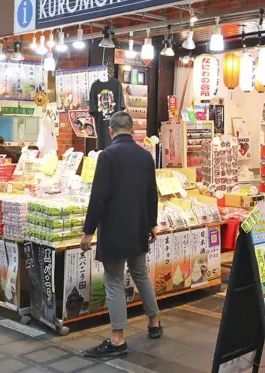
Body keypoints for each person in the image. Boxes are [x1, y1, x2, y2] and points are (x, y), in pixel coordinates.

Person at [81, 111, 162, 359]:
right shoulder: (145, 156)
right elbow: (152, 193)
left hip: (115, 229)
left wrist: (88, 231)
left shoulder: (108, 156)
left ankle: (117, 340)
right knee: (140, 275)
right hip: (138, 227)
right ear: (133, 129)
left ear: (110, 130)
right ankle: (154, 322)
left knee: (114, 281)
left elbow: (99, 197)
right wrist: (152, 223)